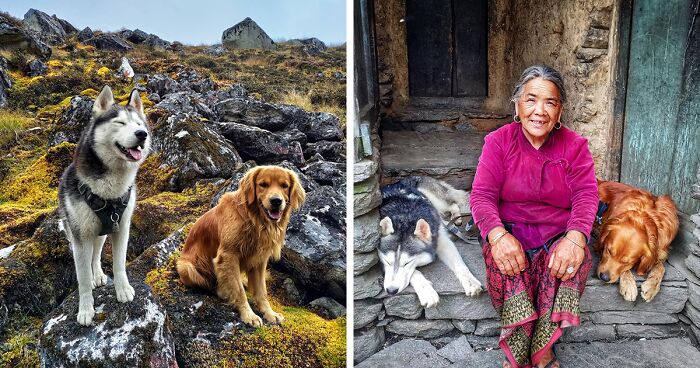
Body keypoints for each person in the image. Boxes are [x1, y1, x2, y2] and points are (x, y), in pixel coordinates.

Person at [469, 65, 598, 368]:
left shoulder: (575, 146)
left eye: (550, 102)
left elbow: (586, 195)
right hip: (510, 232)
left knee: (566, 266)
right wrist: (498, 236)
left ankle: (544, 351)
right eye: (531, 100)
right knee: (509, 268)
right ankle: (518, 350)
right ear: (517, 105)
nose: (539, 111)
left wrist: (576, 238)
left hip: (558, 234)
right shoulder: (498, 142)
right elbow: (481, 196)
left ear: (559, 109)